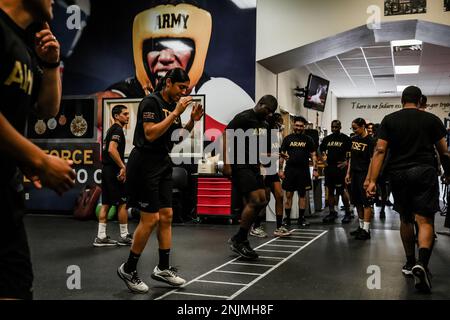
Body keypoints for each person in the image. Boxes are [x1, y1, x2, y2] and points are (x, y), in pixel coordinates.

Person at [0, 0, 76, 299]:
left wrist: (51, 63)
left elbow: (47, 110)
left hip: (6, 193)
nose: (54, 1)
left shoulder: (25, 48)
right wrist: (38, 159)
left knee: (15, 285)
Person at [98, 0, 254, 140]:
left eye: (179, 46)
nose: (165, 57)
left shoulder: (219, 93)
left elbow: (176, 140)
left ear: (196, 51)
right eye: (156, 46)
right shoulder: (126, 96)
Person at [117, 68, 204, 293]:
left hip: (163, 162)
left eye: (186, 89)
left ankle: (163, 268)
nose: (183, 92)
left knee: (167, 215)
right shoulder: (151, 102)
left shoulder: (173, 107)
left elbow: (175, 139)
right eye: (181, 87)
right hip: (144, 162)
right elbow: (150, 134)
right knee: (150, 219)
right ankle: (128, 268)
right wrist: (176, 113)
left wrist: (192, 122)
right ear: (168, 83)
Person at [366, 86, 450, 293]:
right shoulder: (432, 120)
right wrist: (449, 173)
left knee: (405, 218)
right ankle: (422, 262)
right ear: (420, 100)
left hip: (399, 174)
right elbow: (444, 152)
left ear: (402, 100)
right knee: (424, 220)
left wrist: (372, 181)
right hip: (424, 171)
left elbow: (380, 151)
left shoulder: (390, 119)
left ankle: (410, 262)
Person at [222, 95, 278, 260]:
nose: (269, 114)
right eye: (267, 110)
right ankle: (240, 239)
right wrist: (226, 163)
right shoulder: (244, 117)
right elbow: (226, 136)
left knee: (263, 199)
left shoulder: (264, 124)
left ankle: (240, 237)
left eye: (271, 112)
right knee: (255, 200)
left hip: (254, 165)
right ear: (260, 104)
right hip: (240, 164)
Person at [94, 105, 132, 247]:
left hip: (107, 170)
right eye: (125, 114)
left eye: (128, 114)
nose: (127, 116)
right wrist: (123, 166)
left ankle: (101, 237)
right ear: (116, 116)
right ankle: (124, 236)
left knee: (106, 203)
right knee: (123, 203)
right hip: (113, 171)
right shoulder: (117, 129)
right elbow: (111, 149)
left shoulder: (110, 130)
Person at [250, 113, 291, 238]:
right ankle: (255, 226)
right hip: (263, 170)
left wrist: (281, 155)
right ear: (274, 123)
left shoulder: (276, 135)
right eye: (280, 122)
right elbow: (258, 154)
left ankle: (279, 227)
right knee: (264, 200)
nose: (282, 124)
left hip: (272, 170)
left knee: (279, 196)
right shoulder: (264, 134)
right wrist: (274, 156)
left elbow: (274, 152)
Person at [279, 116, 319, 227]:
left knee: (302, 195)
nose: (299, 128)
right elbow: (282, 155)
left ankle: (301, 219)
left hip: (304, 171)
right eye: (297, 125)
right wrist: (280, 170)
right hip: (290, 170)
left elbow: (313, 155)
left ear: (304, 127)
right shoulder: (287, 139)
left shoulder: (308, 139)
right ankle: (287, 219)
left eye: (301, 126)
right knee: (289, 195)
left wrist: (315, 169)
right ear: (293, 125)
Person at [346, 118, 375, 240]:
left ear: (363, 126)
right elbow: (351, 159)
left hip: (365, 174)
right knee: (357, 202)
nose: (354, 130)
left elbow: (372, 161)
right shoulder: (354, 140)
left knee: (366, 202)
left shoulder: (370, 141)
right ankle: (361, 227)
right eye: (352, 128)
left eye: (355, 128)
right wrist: (348, 173)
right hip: (355, 174)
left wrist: (368, 179)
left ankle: (366, 230)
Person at [320, 120, 353, 224]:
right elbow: (319, 149)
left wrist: (346, 163)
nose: (334, 129)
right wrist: (323, 161)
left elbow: (352, 154)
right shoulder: (327, 139)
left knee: (342, 190)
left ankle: (348, 213)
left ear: (340, 127)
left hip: (340, 169)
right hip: (330, 168)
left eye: (336, 127)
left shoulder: (346, 139)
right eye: (332, 127)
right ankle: (332, 212)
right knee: (330, 191)